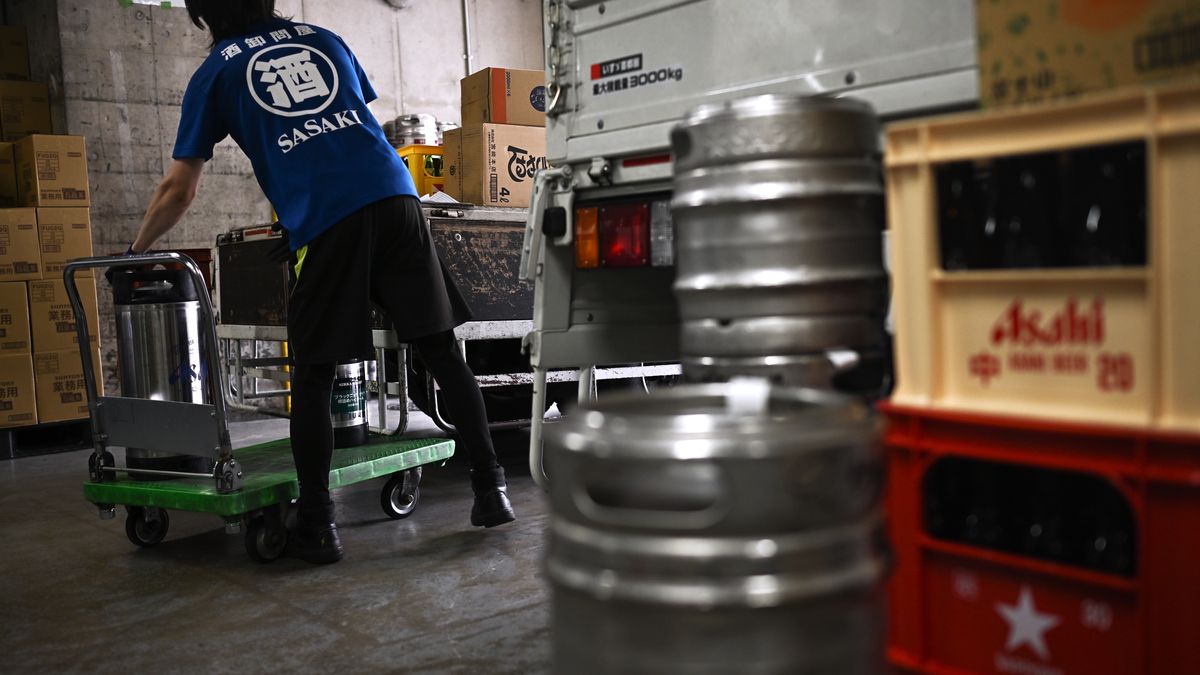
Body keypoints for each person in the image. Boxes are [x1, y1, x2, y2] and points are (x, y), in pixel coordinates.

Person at [125, 0, 515, 564]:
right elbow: (346, 131)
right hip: (396, 196)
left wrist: (135, 250)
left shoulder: (215, 72)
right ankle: (490, 487)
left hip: (330, 217)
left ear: (206, 17)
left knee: (313, 372)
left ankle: (317, 525)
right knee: (439, 351)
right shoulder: (326, 39)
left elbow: (179, 189)